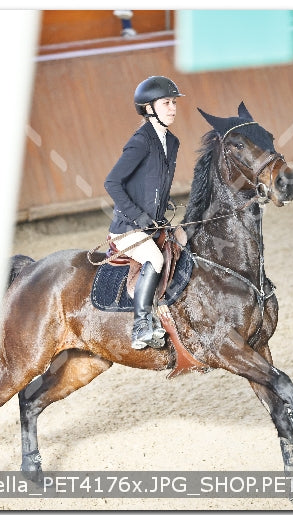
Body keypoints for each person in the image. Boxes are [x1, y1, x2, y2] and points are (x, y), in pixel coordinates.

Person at [104, 76, 184, 349]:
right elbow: (112, 183)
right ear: (149, 108)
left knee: (185, 242)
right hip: (128, 226)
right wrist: (139, 216)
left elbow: (153, 183)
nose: (172, 108)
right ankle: (141, 325)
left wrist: (163, 205)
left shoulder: (171, 142)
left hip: (153, 223)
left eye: (173, 102)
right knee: (154, 258)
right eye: (166, 103)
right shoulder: (141, 141)